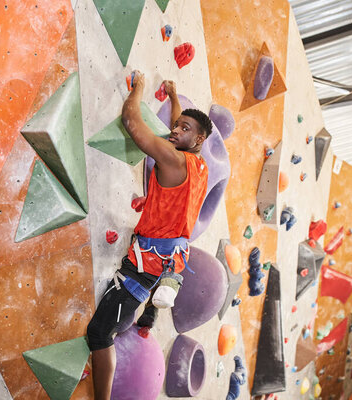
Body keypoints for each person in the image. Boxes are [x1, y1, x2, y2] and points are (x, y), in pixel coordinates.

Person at [86, 71, 212, 400]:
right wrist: (173, 99)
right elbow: (176, 135)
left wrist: (138, 89)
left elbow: (134, 124)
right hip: (169, 256)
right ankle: (150, 311)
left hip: (147, 264)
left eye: (185, 128)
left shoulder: (172, 158)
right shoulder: (199, 165)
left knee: (99, 332)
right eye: (177, 124)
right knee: (134, 305)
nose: (175, 130)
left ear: (197, 140)